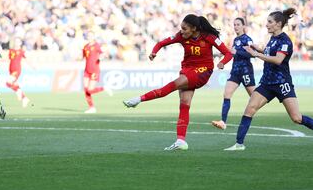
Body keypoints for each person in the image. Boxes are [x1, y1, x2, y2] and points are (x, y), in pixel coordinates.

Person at [123, 14, 233, 150]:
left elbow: (228, 53)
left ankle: (139, 99)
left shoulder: (209, 37)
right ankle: (181, 140)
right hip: (187, 70)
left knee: (172, 86)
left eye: (184, 28)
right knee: (184, 105)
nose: (181, 31)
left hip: (203, 71)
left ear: (194, 28)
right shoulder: (181, 36)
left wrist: (222, 62)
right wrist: (154, 52)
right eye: (181, 28)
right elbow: (161, 43)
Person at [225, 8, 313, 151]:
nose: (266, 24)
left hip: (282, 83)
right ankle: (239, 144)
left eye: (270, 22)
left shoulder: (285, 41)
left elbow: (278, 60)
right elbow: (268, 52)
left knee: (296, 118)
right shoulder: (272, 39)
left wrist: (256, 54)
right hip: (267, 83)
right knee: (249, 109)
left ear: (278, 24)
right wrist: (258, 49)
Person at [212, 18, 256, 130]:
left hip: (246, 72)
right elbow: (231, 54)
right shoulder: (235, 39)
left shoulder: (248, 39)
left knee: (255, 97)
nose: (236, 26)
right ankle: (223, 122)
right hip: (235, 72)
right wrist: (222, 62)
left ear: (243, 26)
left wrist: (238, 52)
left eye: (238, 24)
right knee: (227, 94)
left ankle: (249, 116)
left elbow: (252, 54)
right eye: (234, 24)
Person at [82, 31, 112, 114]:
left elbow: (104, 53)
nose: (90, 37)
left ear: (94, 37)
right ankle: (91, 108)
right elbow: (83, 57)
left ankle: (104, 88)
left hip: (94, 70)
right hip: (86, 70)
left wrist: (102, 56)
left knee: (90, 90)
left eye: (91, 35)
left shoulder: (97, 45)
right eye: (88, 36)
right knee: (86, 90)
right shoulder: (85, 46)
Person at [6, 38, 31, 108]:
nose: (16, 43)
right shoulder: (11, 50)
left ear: (20, 43)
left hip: (16, 70)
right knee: (12, 84)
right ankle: (23, 97)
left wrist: (32, 66)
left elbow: (27, 59)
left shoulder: (21, 51)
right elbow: (9, 60)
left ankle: (22, 96)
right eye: (15, 41)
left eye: (18, 41)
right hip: (11, 70)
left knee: (8, 83)